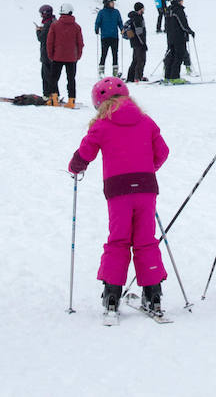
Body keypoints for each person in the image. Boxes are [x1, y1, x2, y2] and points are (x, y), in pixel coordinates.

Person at [67, 77, 170, 320]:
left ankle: (112, 294)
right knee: (146, 239)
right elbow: (163, 152)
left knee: (119, 239)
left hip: (118, 191)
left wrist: (75, 166)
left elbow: (86, 152)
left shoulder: (102, 125)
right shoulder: (146, 121)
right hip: (146, 188)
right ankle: (153, 294)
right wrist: (147, 169)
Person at [46, 3, 85, 106]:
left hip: (57, 57)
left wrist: (50, 55)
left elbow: (50, 42)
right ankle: (71, 100)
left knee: (53, 79)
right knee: (71, 79)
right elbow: (80, 43)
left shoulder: (54, 25)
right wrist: (78, 55)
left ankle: (54, 99)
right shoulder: (77, 27)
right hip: (71, 58)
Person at [163, 0, 194, 84]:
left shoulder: (168, 10)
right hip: (179, 37)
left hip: (170, 37)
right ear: (177, 1)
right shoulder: (178, 10)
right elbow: (183, 23)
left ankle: (167, 76)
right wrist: (190, 31)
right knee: (179, 56)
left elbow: (166, 25)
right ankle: (175, 77)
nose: (182, 2)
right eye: (181, 0)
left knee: (171, 56)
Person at [93, 0, 124, 77]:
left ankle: (115, 72)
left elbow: (120, 22)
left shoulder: (116, 12)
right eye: (111, 2)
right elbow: (97, 22)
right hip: (105, 37)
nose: (113, 3)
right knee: (104, 54)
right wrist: (96, 29)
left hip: (114, 37)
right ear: (107, 3)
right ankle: (101, 71)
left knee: (115, 54)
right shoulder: (102, 12)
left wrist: (122, 29)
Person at [36, 4, 58, 103]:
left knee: (46, 75)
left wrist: (37, 31)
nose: (41, 16)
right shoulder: (54, 22)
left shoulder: (48, 23)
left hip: (47, 53)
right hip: (53, 53)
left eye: (42, 14)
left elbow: (41, 38)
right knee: (50, 75)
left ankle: (49, 95)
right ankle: (53, 95)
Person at [124, 2, 149, 82]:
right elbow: (139, 32)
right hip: (138, 42)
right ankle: (138, 77)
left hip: (134, 42)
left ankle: (131, 77)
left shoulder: (134, 17)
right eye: (143, 8)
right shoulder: (138, 18)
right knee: (141, 60)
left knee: (135, 59)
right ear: (140, 9)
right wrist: (143, 43)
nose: (144, 9)